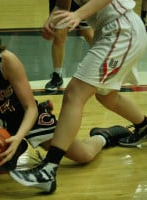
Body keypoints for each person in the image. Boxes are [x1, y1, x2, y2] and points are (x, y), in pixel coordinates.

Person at [0, 19, 130, 176]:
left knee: (84, 155)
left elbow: (30, 108)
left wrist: (18, 137)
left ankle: (103, 136)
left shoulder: (7, 61)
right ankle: (9, 152)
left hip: (23, 115)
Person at [9, 0, 147, 194]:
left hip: (121, 29)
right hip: (113, 31)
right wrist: (53, 19)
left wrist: (79, 14)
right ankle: (143, 125)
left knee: (75, 93)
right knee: (106, 95)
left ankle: (48, 169)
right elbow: (63, 6)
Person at [45, 0, 94, 91]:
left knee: (89, 35)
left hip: (81, 3)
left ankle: (105, 69)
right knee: (59, 37)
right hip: (60, 3)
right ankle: (57, 75)